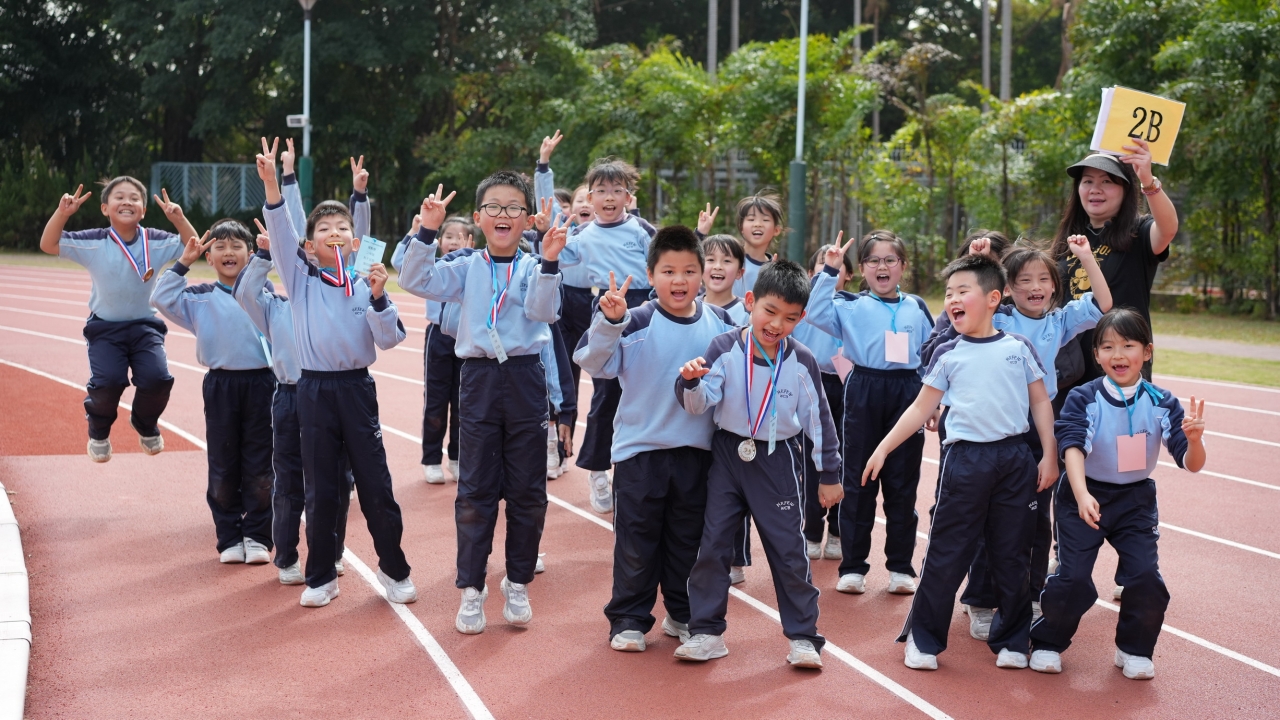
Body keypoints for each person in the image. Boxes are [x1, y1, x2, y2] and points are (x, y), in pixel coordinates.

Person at [863, 252, 1057, 671]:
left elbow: (1040, 402)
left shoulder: (1018, 348)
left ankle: (1012, 639)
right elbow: (920, 408)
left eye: (962, 291)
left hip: (1015, 459)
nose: (952, 299)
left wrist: (1050, 455)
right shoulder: (947, 352)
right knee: (947, 553)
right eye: (948, 293)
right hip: (966, 461)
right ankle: (923, 639)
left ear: (993, 298)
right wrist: (883, 447)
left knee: (1013, 554)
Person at [399, 172, 565, 634]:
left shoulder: (535, 265)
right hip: (478, 379)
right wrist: (427, 230)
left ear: (527, 218)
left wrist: (550, 261)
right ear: (478, 217)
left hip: (525, 377)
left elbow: (545, 312)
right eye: (493, 206)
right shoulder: (466, 265)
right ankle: (472, 588)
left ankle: (518, 581)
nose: (503, 215)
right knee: (475, 491)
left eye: (513, 207)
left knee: (528, 492)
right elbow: (415, 278)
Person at [256, 137, 415, 609]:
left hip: (357, 388)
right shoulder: (300, 278)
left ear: (355, 241)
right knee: (321, 488)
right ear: (309, 245)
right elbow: (281, 232)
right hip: (314, 390)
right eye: (323, 229)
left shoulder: (366, 279)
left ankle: (394, 569)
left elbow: (390, 339)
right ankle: (322, 575)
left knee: (375, 484)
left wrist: (380, 297)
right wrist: (273, 185)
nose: (334, 233)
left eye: (342, 228)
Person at [934, 236, 1113, 640]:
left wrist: (1086, 258)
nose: (1035, 287)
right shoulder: (1001, 319)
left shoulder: (1059, 321)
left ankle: (1031, 596)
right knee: (988, 518)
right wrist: (977, 264)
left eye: (1043, 279)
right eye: (1024, 280)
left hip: (1038, 425)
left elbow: (1104, 304)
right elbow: (961, 309)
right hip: (998, 425)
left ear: (1054, 286)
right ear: (1007, 289)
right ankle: (980, 600)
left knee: (1034, 518)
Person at [672, 260, 843, 670]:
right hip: (728, 455)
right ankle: (706, 632)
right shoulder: (724, 347)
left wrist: (830, 473)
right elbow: (699, 404)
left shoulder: (801, 360)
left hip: (777, 458)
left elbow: (820, 419)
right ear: (750, 301)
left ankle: (803, 637)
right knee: (714, 544)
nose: (777, 324)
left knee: (788, 550)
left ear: (801, 318)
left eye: (790, 317)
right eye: (770, 311)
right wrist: (690, 381)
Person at [574, 226, 735, 652]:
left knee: (687, 541)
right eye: (668, 271)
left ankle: (682, 613)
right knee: (636, 540)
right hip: (640, 453)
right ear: (650, 274)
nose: (679, 281)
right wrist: (610, 322)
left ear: (702, 275)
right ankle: (628, 618)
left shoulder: (721, 325)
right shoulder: (635, 320)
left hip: (698, 454)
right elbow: (593, 362)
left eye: (689, 271)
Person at [1029, 309, 1206, 679]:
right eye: (1107, 347)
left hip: (1135, 501)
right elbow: (1072, 447)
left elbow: (1192, 464)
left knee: (1145, 577)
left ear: (1147, 351)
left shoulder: (1162, 401)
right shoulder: (1083, 397)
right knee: (1073, 578)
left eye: (1128, 345)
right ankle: (1047, 643)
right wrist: (1081, 495)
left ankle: (1134, 649)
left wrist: (1194, 440)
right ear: (1096, 355)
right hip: (1084, 495)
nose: (1118, 355)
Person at [805, 231, 933, 596]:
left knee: (902, 484)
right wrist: (830, 270)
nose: (882, 266)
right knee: (858, 482)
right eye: (873, 260)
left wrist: (934, 399)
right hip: (863, 389)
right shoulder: (849, 305)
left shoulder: (916, 307)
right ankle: (853, 567)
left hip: (907, 392)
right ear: (862, 269)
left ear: (903, 266)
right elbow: (814, 311)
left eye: (890, 259)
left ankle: (900, 567)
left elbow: (933, 350)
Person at [39, 178, 196, 461]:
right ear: (105, 208)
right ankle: (99, 431)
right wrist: (62, 213)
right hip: (105, 330)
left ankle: (144, 423)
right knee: (108, 383)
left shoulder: (154, 241)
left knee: (159, 379)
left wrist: (179, 219)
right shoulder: (95, 241)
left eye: (134, 198)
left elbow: (193, 246)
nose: (127, 202)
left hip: (145, 328)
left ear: (144, 210)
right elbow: (49, 244)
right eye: (119, 197)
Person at [236, 218, 355, 586]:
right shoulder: (275, 306)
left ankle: (332, 552)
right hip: (291, 397)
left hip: (334, 395)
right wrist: (264, 254)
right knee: (289, 481)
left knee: (338, 481)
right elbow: (244, 293)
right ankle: (287, 556)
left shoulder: (342, 294)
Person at [150, 219, 275, 565]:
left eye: (237, 246)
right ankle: (230, 536)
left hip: (264, 385)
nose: (228, 252)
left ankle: (258, 536)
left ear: (249, 254)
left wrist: (267, 254)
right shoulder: (200, 298)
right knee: (223, 465)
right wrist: (183, 262)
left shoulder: (263, 295)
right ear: (210, 257)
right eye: (220, 246)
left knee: (261, 465)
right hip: (221, 387)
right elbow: (160, 297)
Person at [557, 158, 655, 514]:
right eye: (601, 190)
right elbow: (556, 257)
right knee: (606, 392)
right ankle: (598, 471)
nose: (609, 197)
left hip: (646, 306)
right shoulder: (583, 234)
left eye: (616, 190)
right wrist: (544, 233)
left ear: (628, 197)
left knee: (646, 391)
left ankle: (638, 472)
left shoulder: (642, 229)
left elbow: (663, 264)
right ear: (590, 197)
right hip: (605, 306)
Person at [1053, 139, 1179, 386]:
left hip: (1119, 370)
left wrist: (1148, 181)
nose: (1095, 189)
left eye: (1107, 181)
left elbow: (1168, 229)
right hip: (1068, 370)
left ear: (1125, 190)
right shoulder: (1069, 239)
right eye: (1087, 181)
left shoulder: (1138, 233)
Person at [392, 216, 475, 484]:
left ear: (471, 242)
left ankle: (457, 458)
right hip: (438, 338)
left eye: (460, 237)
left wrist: (469, 255)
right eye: (448, 236)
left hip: (466, 340)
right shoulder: (431, 267)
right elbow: (399, 263)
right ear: (439, 241)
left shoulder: (473, 267)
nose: (454, 241)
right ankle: (431, 459)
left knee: (463, 403)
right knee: (436, 402)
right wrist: (415, 231)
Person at [788, 244, 856, 563]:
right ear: (811, 271)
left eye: (838, 267)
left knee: (844, 460)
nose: (829, 270)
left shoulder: (852, 306)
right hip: (810, 386)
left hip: (848, 386)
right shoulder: (802, 308)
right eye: (822, 265)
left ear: (849, 275)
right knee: (812, 461)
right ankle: (812, 531)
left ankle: (838, 532)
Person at [700, 233, 749, 326]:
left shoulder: (747, 311)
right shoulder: (689, 306)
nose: (718, 266)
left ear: (739, 273)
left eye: (727, 261)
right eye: (711, 260)